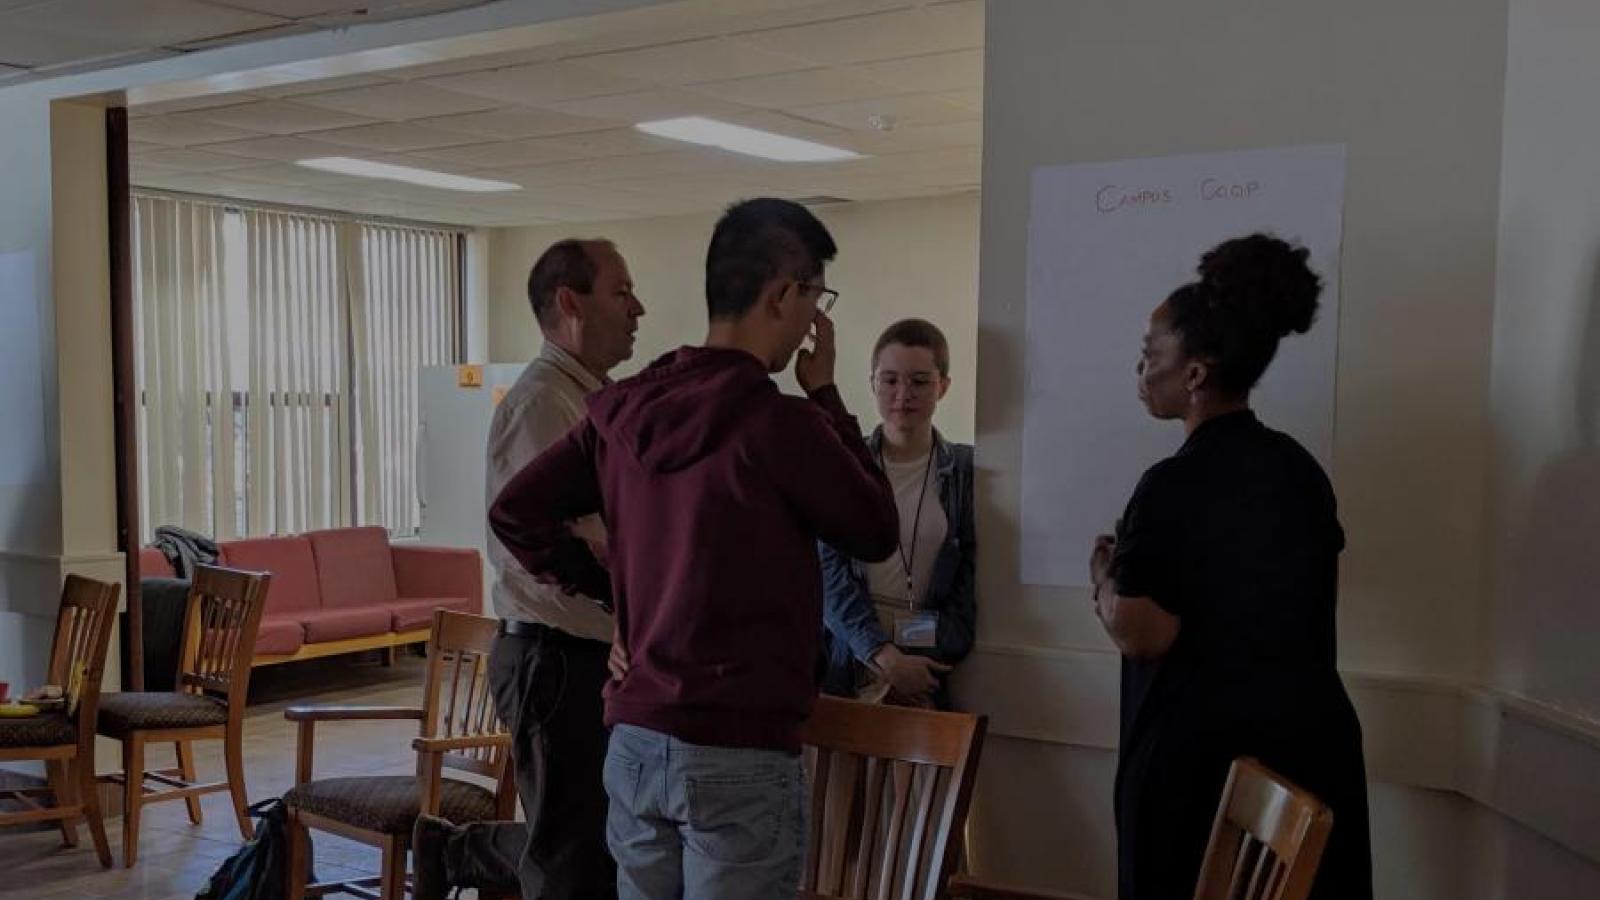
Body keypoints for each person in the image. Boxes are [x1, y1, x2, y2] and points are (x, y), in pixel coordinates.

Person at [488, 197, 898, 900]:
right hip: (739, 746)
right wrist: (827, 391)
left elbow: (516, 511)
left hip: (638, 740)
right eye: (814, 298)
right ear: (782, 294)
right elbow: (874, 526)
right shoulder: (782, 423)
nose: (812, 320)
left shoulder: (625, 411)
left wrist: (619, 600)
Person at [1090, 234, 1372, 900]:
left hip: (1203, 769)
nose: (1140, 371)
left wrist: (1103, 574)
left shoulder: (1173, 484)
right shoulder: (1300, 471)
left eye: (1150, 356)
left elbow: (1141, 631)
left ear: (1194, 373)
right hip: (1309, 752)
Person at [413, 238, 644, 900]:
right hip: (557, 657)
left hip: (585, 653)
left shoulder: (591, 399)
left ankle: (456, 850)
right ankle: (456, 851)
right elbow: (546, 539)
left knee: (591, 841)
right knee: (572, 861)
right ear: (571, 303)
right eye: (621, 292)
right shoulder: (545, 403)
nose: (638, 309)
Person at [820, 318, 976, 708]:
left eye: (919, 381)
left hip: (926, 666)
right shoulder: (844, 464)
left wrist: (923, 660)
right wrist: (882, 655)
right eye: (890, 380)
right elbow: (828, 578)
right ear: (872, 382)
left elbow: (968, 582)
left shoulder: (964, 470)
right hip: (848, 661)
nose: (902, 394)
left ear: (944, 385)